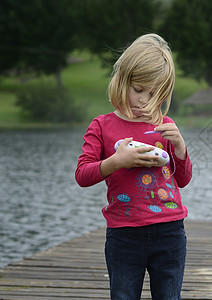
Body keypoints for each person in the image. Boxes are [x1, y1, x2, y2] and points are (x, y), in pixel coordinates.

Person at [75, 33, 192, 299]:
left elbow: (183, 179)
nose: (144, 101)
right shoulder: (102, 126)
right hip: (124, 234)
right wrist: (117, 161)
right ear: (122, 79)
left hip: (170, 230)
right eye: (138, 90)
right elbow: (82, 175)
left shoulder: (165, 125)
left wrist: (181, 148)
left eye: (154, 94)